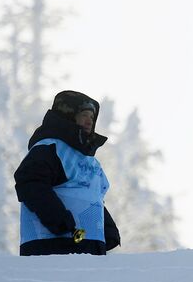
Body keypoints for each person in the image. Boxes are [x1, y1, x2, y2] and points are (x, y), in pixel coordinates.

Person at [15, 90, 121, 256]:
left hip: (86, 246)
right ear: (68, 116)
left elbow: (92, 197)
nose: (89, 121)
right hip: (52, 246)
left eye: (92, 117)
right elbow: (30, 183)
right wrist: (59, 221)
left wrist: (107, 229)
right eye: (84, 115)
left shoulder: (89, 160)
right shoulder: (49, 149)